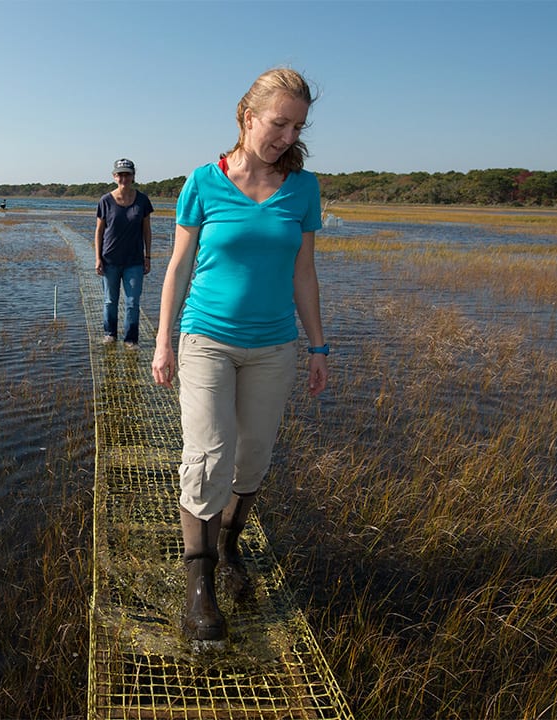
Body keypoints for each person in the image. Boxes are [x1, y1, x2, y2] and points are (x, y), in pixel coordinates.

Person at [150, 68, 329, 644]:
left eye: (297, 125)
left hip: (274, 345)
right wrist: (164, 339)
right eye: (279, 122)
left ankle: (229, 548)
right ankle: (198, 582)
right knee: (209, 454)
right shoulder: (203, 181)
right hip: (206, 338)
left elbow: (304, 272)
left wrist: (319, 345)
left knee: (251, 459)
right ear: (248, 118)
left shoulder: (304, 188)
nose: (287, 134)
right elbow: (178, 267)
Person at [95, 158, 154, 346]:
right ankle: (110, 334)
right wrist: (98, 258)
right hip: (110, 260)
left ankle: (131, 339)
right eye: (120, 174)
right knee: (110, 301)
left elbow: (147, 230)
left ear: (133, 176)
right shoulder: (105, 201)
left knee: (132, 303)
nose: (124, 178)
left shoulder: (142, 200)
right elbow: (99, 231)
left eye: (127, 174)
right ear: (114, 177)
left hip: (134, 261)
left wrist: (148, 256)